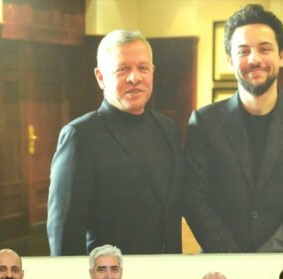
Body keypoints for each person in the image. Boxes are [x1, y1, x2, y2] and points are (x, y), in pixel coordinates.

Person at [184, 4, 283, 252]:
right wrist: (233, 258)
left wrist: (266, 259)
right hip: (220, 262)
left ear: (281, 56)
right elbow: (194, 197)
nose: (254, 59)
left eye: (265, 49)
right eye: (243, 51)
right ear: (230, 61)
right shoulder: (204, 122)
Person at [47, 30, 182, 256]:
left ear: (152, 72)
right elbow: (64, 232)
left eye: (143, 68)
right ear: (101, 77)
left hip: (168, 268)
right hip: (112, 273)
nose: (134, 78)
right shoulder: (80, 136)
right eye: (122, 69)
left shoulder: (170, 130)